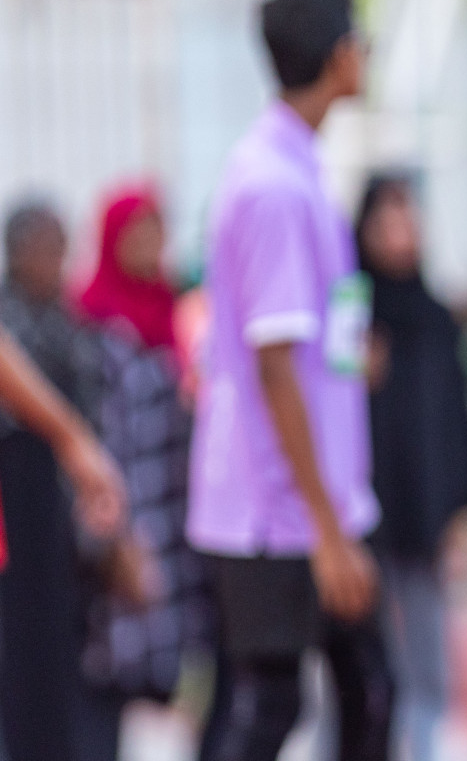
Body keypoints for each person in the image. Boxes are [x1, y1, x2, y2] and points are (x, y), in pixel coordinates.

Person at [189, 0, 392, 761]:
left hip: (313, 500)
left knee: (367, 691)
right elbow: (273, 367)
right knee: (267, 709)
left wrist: (350, 360)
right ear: (342, 55)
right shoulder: (272, 184)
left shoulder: (295, 164)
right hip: (277, 512)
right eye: (362, 40)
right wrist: (327, 532)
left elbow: (302, 342)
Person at [74, 186, 214, 761]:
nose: (151, 244)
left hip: (179, 517)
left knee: (183, 680)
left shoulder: (173, 310)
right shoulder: (89, 321)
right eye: (138, 232)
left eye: (158, 230)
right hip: (123, 519)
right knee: (113, 673)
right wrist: (114, 538)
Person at [355, 173, 467, 761]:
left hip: (428, 516)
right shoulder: (352, 321)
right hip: (363, 519)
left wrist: (464, 512)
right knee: (364, 670)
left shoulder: (436, 319)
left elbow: (460, 422)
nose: (400, 233)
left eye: (408, 217)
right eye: (386, 220)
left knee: (430, 665)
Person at [0, 200, 120, 761]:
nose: (54, 260)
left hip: (53, 514)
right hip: (16, 493)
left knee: (54, 653)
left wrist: (75, 446)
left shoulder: (72, 324)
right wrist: (71, 440)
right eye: (42, 246)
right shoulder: (13, 320)